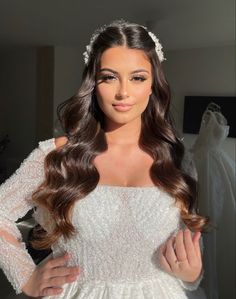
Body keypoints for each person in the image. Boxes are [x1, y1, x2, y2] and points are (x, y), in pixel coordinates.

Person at [0, 19, 211, 298]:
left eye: (137, 78)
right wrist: (25, 277)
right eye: (109, 77)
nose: (123, 92)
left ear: (153, 85)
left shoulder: (178, 160)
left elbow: (188, 248)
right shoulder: (57, 156)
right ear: (93, 83)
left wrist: (193, 274)